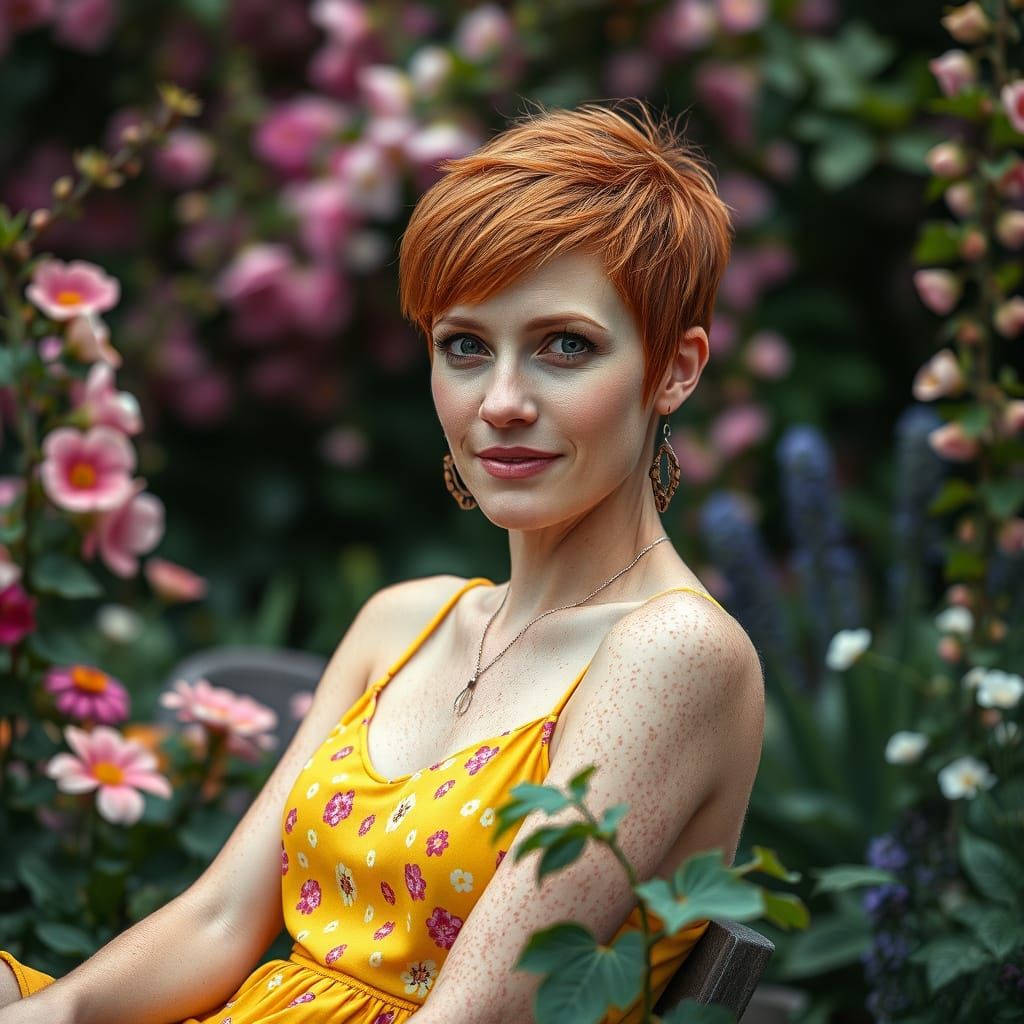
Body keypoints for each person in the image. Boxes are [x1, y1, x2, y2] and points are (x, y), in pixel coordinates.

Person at [0, 98, 764, 1023]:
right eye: (466, 347)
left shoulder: (673, 651)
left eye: (567, 347)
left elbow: (474, 1015)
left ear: (674, 369)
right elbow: (217, 921)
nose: (503, 401)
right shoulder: (408, 622)